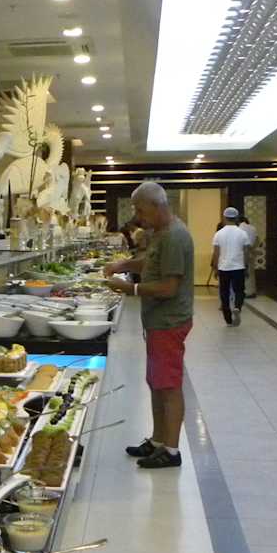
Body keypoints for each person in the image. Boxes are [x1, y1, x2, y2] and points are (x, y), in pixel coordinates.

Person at [103, 181, 194, 469]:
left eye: (141, 210)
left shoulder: (175, 236)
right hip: (157, 321)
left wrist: (130, 289)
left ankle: (171, 450)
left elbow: (169, 287)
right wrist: (123, 266)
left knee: (168, 386)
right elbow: (151, 264)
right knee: (156, 382)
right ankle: (157, 441)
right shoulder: (161, 233)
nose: (138, 216)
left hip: (169, 322)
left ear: (157, 206)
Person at [211, 206, 249, 326]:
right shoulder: (243, 233)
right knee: (239, 291)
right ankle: (237, 307)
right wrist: (246, 267)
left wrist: (215, 268)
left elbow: (216, 253)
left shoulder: (218, 234)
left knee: (224, 292)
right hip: (238, 267)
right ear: (236, 218)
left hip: (224, 268)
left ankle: (228, 319)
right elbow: (246, 252)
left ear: (224, 218)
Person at [239, 213, 259, 298]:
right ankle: (252, 291)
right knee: (251, 273)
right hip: (251, 252)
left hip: (243, 252)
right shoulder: (253, 228)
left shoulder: (239, 228)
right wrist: (253, 248)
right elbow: (257, 239)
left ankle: (245, 291)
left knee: (243, 272)